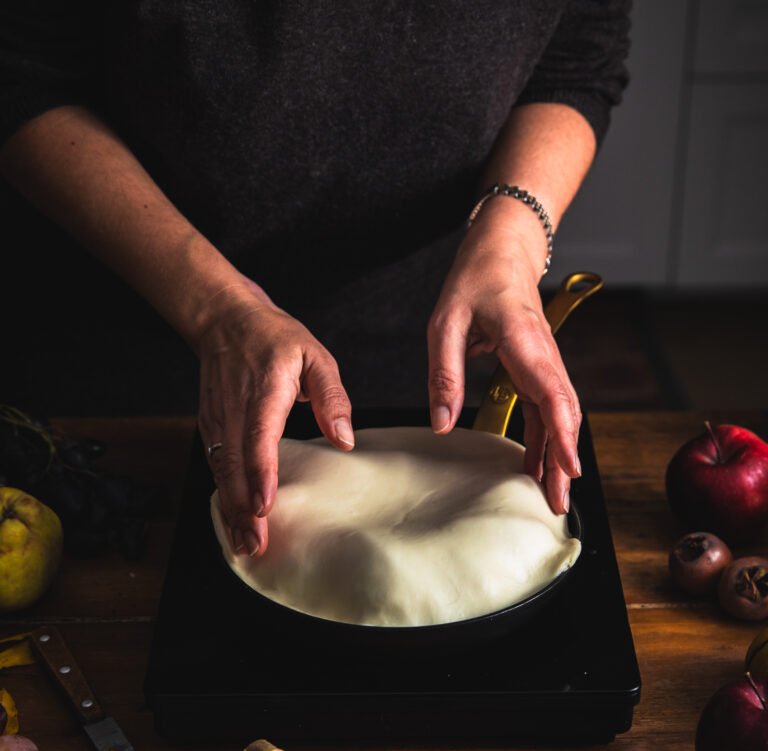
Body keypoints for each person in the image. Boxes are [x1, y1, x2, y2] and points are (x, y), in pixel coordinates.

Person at [0, 2, 630, 556]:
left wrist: (512, 238)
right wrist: (217, 309)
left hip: (420, 340)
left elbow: (576, 63)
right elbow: (25, 77)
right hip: (123, 347)